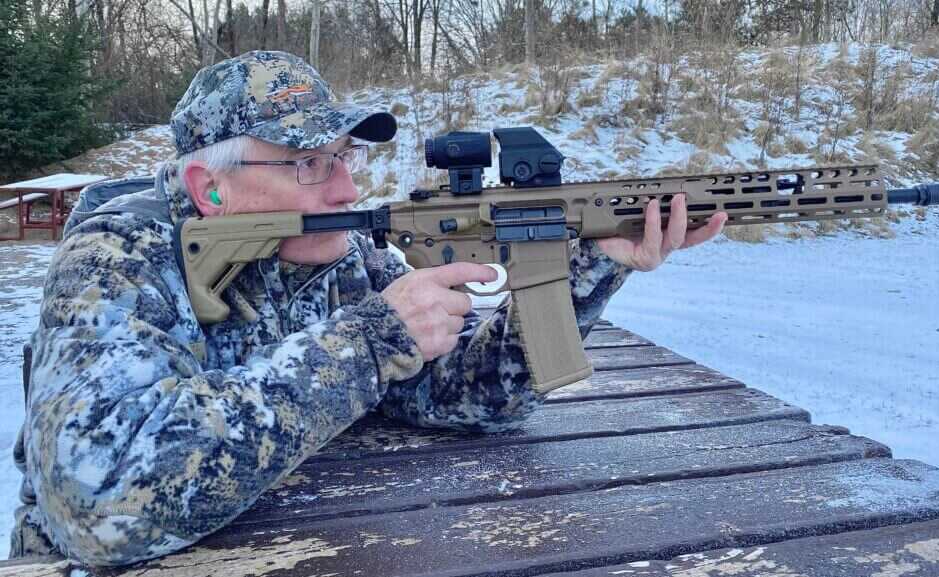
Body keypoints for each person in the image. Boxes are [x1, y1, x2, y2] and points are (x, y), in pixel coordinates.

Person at [9, 51, 727, 566]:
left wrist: (592, 264)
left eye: (344, 156)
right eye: (308, 163)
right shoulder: (116, 255)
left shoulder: (341, 251)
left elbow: (459, 396)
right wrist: (369, 341)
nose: (347, 188)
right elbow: (99, 501)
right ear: (211, 188)